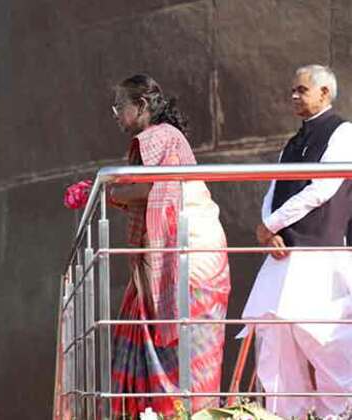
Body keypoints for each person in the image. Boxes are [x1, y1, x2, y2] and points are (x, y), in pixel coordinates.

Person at [108, 73, 230, 417]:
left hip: (187, 260)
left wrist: (110, 191)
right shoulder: (169, 138)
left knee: (185, 355)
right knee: (189, 356)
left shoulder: (158, 136)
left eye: (120, 106)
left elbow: (156, 188)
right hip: (194, 257)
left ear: (141, 105)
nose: (116, 115)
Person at [241, 64, 352, 417]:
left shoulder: (343, 132)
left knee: (327, 345)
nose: (293, 95)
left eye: (301, 90)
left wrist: (273, 223)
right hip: (282, 259)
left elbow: (323, 187)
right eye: (292, 89)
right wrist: (268, 228)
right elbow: (273, 188)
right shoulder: (293, 142)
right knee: (275, 349)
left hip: (320, 257)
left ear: (325, 93)